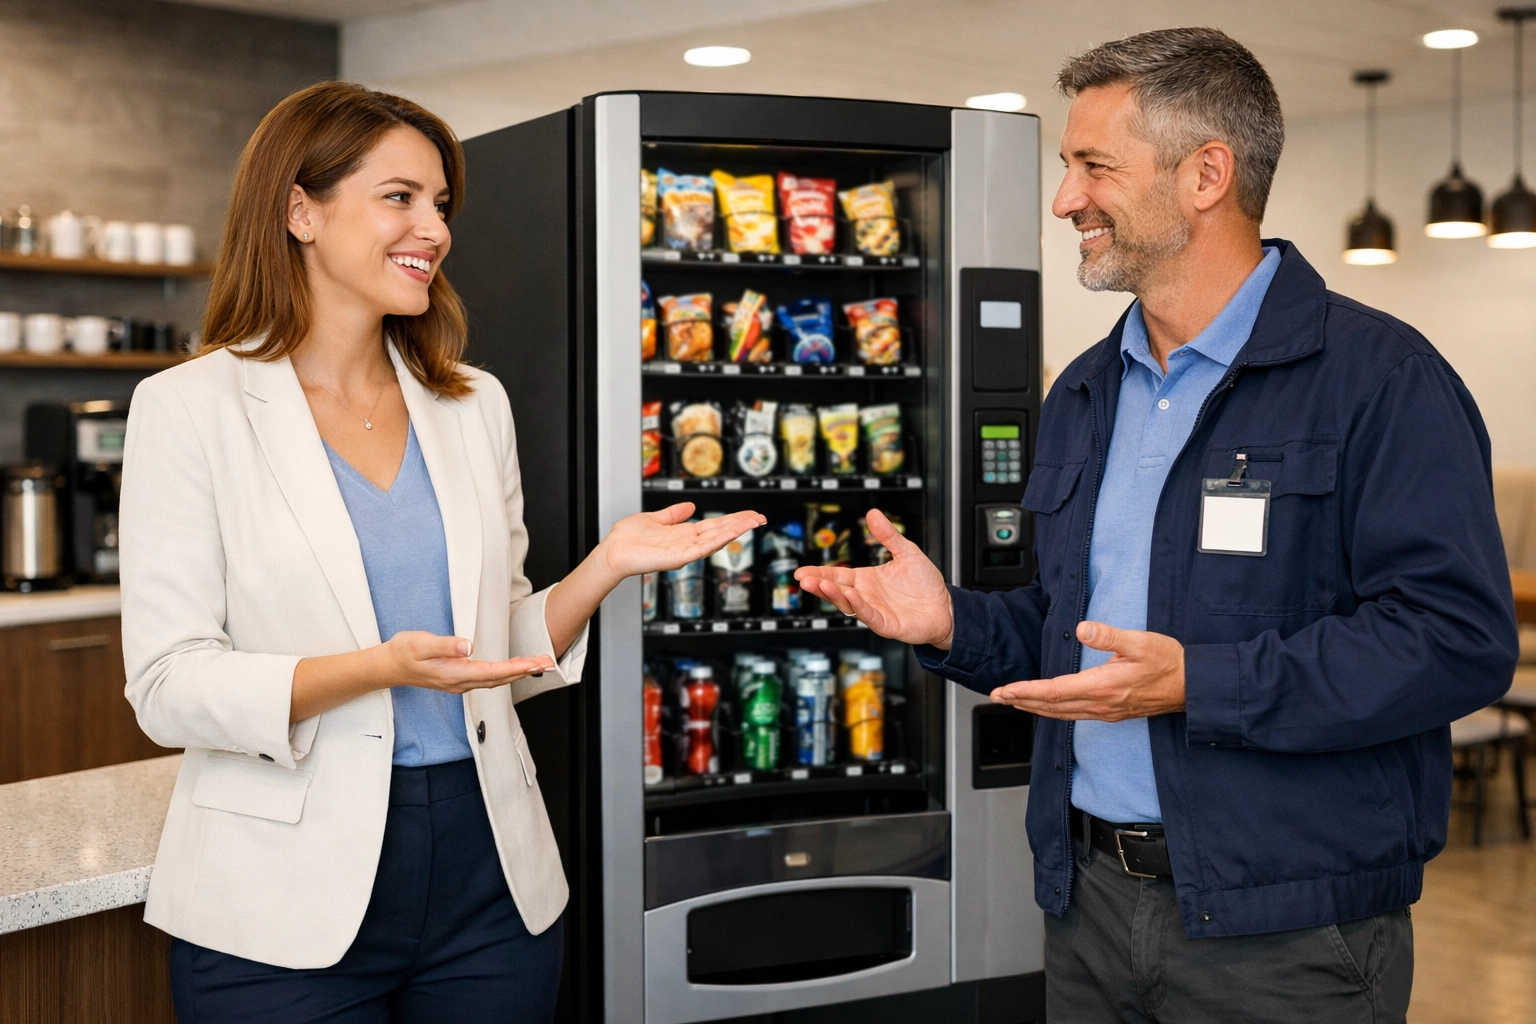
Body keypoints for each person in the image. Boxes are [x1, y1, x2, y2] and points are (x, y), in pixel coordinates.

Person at [797, 27, 1517, 1023]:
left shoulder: (1381, 381)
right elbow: (1073, 635)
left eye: (1094, 166)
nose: (1065, 201)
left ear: (1206, 175)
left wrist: (1199, 683)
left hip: (1287, 937)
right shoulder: (1089, 390)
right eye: (1066, 168)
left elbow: (1457, 642)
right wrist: (949, 623)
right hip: (1088, 907)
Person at [119, 81, 763, 1022]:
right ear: (299, 209)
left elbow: (491, 648)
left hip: (485, 872)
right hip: (279, 896)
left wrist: (603, 567)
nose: (436, 227)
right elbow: (169, 687)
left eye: (441, 204)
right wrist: (376, 668)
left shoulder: (471, 403)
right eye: (400, 197)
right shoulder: (188, 409)